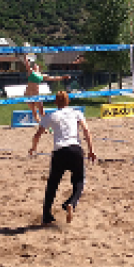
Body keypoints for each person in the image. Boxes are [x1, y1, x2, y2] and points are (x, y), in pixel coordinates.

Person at [29, 91, 96, 224]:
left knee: (52, 184)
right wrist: (91, 150)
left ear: (55, 102)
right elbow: (86, 131)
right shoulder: (76, 113)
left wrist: (33, 148)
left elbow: (37, 135)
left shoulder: (51, 115)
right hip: (75, 149)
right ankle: (70, 203)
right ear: (68, 102)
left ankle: (46, 214)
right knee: (79, 181)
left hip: (59, 151)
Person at [23, 54, 70, 123]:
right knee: (34, 112)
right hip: (28, 94)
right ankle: (41, 126)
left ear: (39, 68)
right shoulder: (31, 72)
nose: (35, 65)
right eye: (34, 65)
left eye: (36, 65)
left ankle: (47, 126)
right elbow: (27, 64)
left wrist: (63, 77)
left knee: (42, 111)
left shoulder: (42, 75)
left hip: (36, 95)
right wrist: (25, 55)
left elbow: (53, 78)